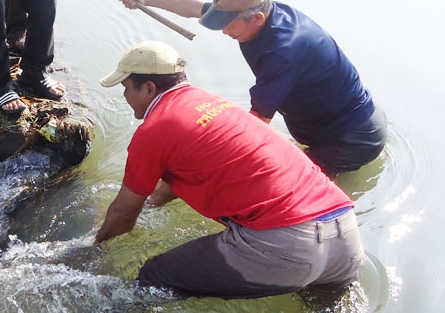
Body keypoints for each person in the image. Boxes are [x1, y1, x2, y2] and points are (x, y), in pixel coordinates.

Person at [94, 40, 364, 299]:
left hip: (287, 245)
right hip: (345, 237)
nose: (125, 96)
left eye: (126, 87)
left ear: (149, 88)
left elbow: (123, 213)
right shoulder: (212, 105)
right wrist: (153, 203)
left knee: (155, 275)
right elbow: (184, 172)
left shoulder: (153, 131)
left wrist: (92, 251)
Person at [119, 0, 386, 175]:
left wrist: (204, 162)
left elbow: (255, 127)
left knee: (288, 184)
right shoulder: (257, 11)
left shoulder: (282, 52)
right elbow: (193, 8)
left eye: (228, 25)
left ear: (257, 18)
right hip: (327, 124)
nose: (223, 31)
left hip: (351, 138)